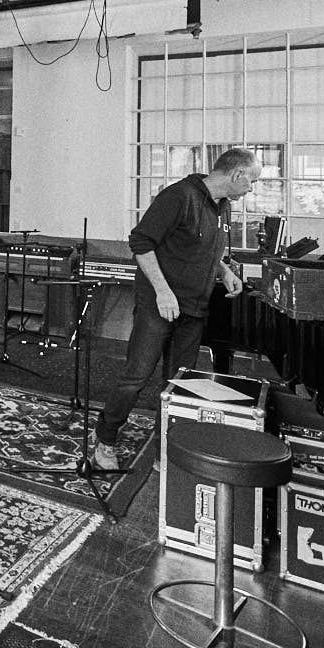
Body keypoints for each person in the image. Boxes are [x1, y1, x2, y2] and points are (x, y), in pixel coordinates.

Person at [93, 147, 258, 470]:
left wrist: (224, 271)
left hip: (194, 309)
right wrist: (163, 292)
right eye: (251, 181)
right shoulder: (178, 196)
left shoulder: (222, 206)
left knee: (178, 384)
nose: (251, 188)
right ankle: (106, 438)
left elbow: (204, 249)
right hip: (160, 304)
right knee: (136, 377)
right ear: (237, 174)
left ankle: (164, 450)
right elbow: (140, 243)